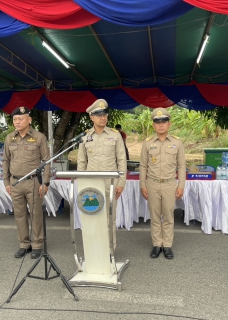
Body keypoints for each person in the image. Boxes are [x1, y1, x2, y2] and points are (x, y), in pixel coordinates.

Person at [77, 99, 127, 249]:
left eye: (105, 114)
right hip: (91, 184)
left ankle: (110, 252)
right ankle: (95, 251)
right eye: (98, 115)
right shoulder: (85, 137)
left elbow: (122, 161)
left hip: (110, 183)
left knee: (109, 219)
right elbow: (81, 163)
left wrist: (121, 183)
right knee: (91, 218)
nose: (103, 118)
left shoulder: (115, 135)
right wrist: (82, 183)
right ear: (91, 117)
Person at [3, 106, 51, 259]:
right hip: (15, 182)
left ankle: (37, 244)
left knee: (36, 214)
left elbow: (47, 161)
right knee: (19, 214)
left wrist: (46, 183)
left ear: (29, 120)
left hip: (33, 182)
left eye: (20, 119)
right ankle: (24, 244)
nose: (17, 122)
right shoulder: (10, 138)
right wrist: (6, 182)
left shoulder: (39, 137)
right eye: (15, 119)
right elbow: (6, 160)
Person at [139, 108, 186, 259]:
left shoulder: (177, 143)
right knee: (154, 216)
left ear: (169, 124)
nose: (160, 125)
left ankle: (167, 245)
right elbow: (143, 166)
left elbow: (182, 166)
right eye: (157, 122)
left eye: (163, 122)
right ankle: (156, 244)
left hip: (169, 184)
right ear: (153, 125)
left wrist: (181, 186)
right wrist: (142, 185)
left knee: (168, 216)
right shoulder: (147, 144)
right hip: (152, 184)